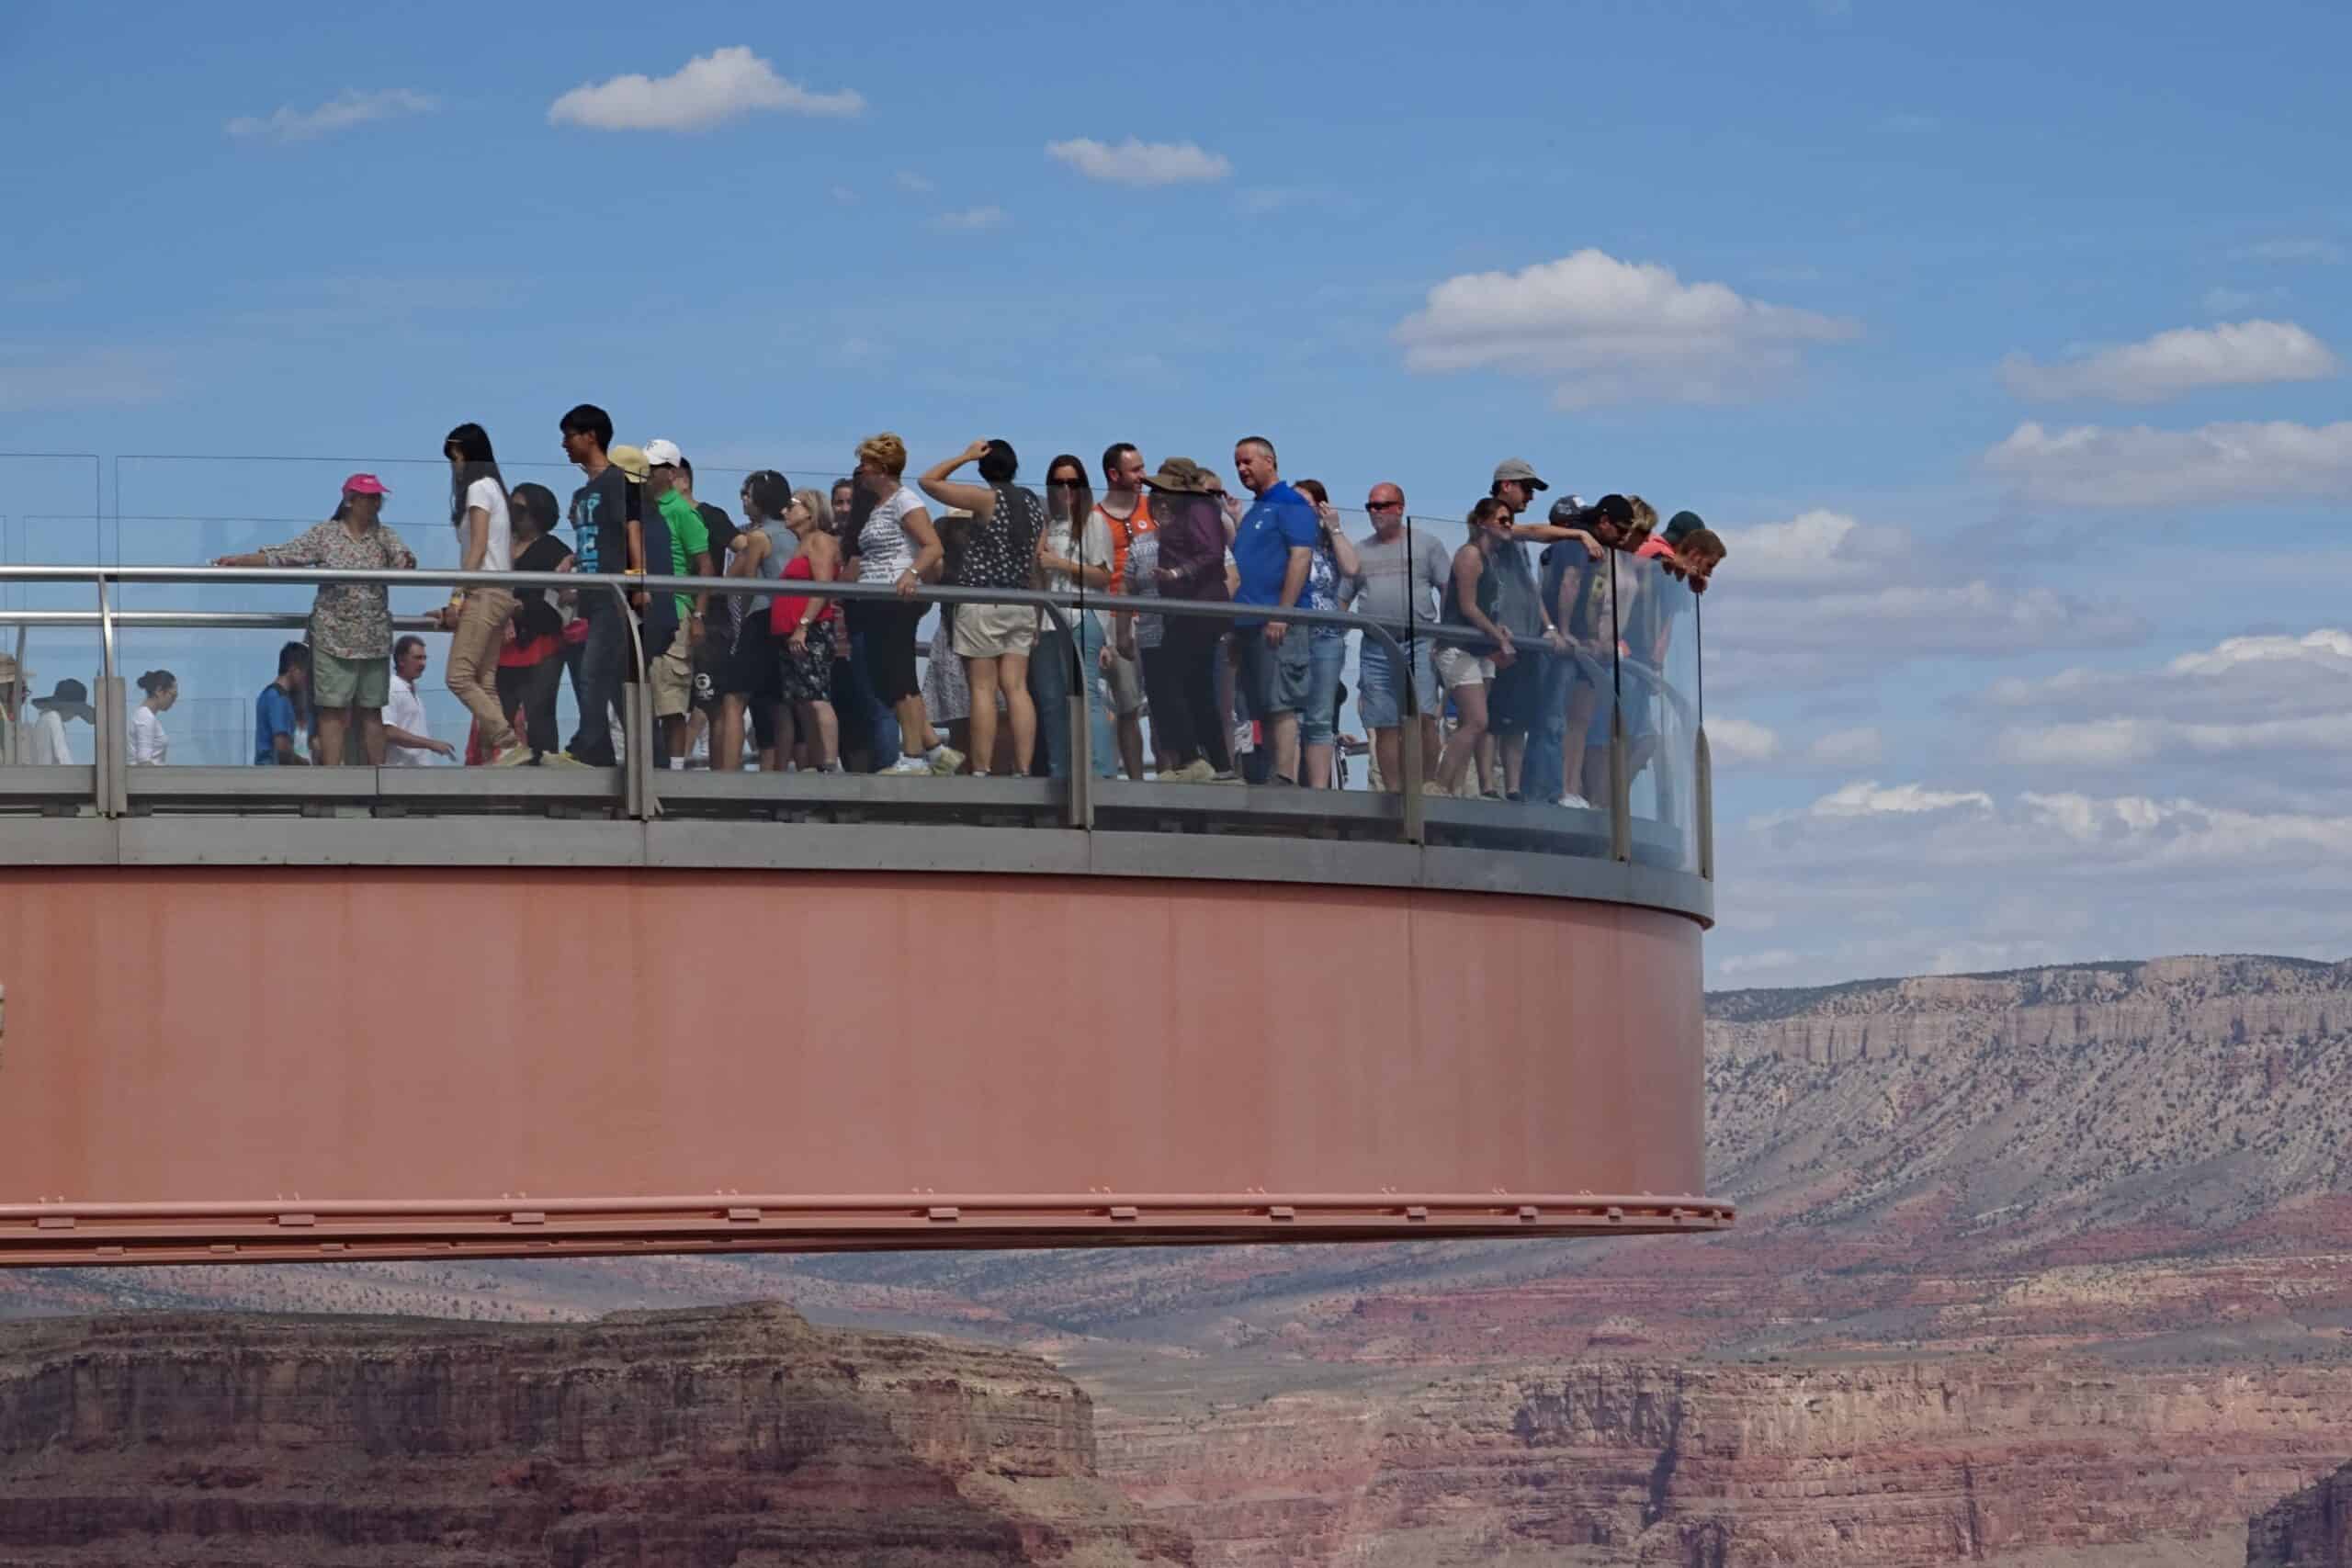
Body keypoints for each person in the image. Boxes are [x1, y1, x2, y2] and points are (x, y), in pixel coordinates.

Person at [215, 473, 413, 767]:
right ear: (350, 501)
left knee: (372, 710)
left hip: (373, 638)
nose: (375, 503)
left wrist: (405, 562)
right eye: (369, 497)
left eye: (377, 498)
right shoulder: (325, 534)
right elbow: (285, 555)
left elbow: (404, 558)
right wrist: (241, 561)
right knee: (332, 710)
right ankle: (333, 779)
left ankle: (379, 779)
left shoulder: (385, 536)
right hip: (333, 637)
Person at [918, 439, 1047, 777]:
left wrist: (965, 456)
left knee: (982, 688)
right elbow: (1036, 565)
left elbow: (928, 481)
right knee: (1017, 688)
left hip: (980, 601)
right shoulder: (1034, 506)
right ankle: (1023, 768)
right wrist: (1037, 614)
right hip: (1021, 602)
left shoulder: (986, 498)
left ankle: (982, 768)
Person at [848, 433, 957, 776]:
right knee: (886, 679)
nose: (861, 471)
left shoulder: (905, 501)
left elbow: (932, 546)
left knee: (900, 678)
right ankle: (936, 751)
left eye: (865, 465)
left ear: (881, 468)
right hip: (875, 600)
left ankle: (912, 756)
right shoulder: (879, 506)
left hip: (897, 600)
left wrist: (911, 574)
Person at [1346, 482, 1449, 795]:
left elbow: (1448, 588)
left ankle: (1426, 786)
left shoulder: (1426, 544)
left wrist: (1443, 635)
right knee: (1384, 723)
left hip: (1419, 640)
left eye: (1381, 505)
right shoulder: (1359, 551)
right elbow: (1342, 597)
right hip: (1376, 644)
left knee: (1425, 716)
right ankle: (1393, 794)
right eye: (1370, 506)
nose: (1374, 512)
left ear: (1399, 508)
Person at [435, 423, 528, 768]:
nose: (453, 466)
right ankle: (499, 756)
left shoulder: (477, 489)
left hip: (483, 591)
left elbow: (476, 548)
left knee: (459, 676)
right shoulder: (496, 489)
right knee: (485, 682)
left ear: (463, 454)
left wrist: (456, 598)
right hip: (500, 592)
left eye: (454, 457)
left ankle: (507, 741)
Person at [1227, 437, 1317, 784]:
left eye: (1247, 461)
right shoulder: (1256, 510)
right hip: (1248, 625)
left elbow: (1301, 557)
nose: (1241, 469)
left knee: (1281, 703)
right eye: (1237, 463)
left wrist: (1283, 613)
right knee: (1260, 705)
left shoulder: (1290, 503)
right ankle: (1267, 776)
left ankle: (1285, 778)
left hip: (1277, 624)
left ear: (1269, 461)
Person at [1139, 457, 1235, 779]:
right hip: (1182, 609)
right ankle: (1211, 763)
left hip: (1197, 609)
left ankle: (1198, 760)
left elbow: (1212, 553)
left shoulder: (1200, 508)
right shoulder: (1188, 511)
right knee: (1192, 685)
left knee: (1176, 682)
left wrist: (1177, 573)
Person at [557, 403, 636, 768]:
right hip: (590, 598)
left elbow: (631, 533)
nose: (564, 444)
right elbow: (594, 540)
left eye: (570, 436)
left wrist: (637, 581)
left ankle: (588, 746)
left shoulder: (618, 483)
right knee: (615, 682)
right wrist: (573, 563)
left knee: (593, 673)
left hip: (614, 595)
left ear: (591, 436)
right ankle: (645, 752)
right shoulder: (582, 494)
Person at [1028, 453, 1115, 780]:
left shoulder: (1093, 522)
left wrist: (1060, 564)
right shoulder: (1048, 525)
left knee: (1086, 695)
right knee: (1051, 700)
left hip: (1081, 616)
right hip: (1047, 620)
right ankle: (1060, 773)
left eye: (1072, 483)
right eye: (1059, 482)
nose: (1066, 489)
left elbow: (1103, 575)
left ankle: (1099, 772)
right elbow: (1038, 578)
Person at [1432, 500, 1518, 797]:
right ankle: (1439, 787)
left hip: (1481, 650)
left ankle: (1455, 788)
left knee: (1473, 723)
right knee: (1476, 720)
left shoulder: (1491, 558)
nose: (1509, 525)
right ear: (1482, 522)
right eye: (1503, 519)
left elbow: (1484, 606)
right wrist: (1499, 638)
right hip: (1459, 647)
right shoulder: (1469, 555)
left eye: (1510, 520)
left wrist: (1499, 629)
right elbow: (1467, 607)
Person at [640, 439, 715, 770]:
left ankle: (674, 773)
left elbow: (706, 565)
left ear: (671, 473)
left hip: (676, 610)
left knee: (671, 702)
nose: (646, 472)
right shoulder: (642, 509)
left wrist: (698, 615)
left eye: (653, 467)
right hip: (644, 611)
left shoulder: (683, 511)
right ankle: (649, 769)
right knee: (643, 699)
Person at [716, 468, 796, 773]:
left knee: (734, 697)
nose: (744, 501)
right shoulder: (792, 536)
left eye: (747, 495)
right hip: (786, 622)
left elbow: (745, 583)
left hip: (760, 619)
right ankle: (781, 771)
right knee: (779, 702)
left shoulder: (759, 536)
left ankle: (728, 772)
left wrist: (742, 627)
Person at [1290, 479, 1363, 790]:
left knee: (1320, 717)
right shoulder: (1285, 537)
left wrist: (1334, 527)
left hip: (1327, 635)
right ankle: (1290, 787)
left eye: (1306, 503)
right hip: (1293, 632)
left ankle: (1319, 791)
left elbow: (1352, 568)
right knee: (1292, 716)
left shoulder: (1327, 540)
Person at [497, 481, 575, 761]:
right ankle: (500, 766)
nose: (512, 514)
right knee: (499, 714)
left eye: (519, 509)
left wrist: (522, 608)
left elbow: (564, 596)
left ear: (537, 514)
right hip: (502, 643)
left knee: (540, 712)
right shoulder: (499, 545)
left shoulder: (554, 549)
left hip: (541, 641)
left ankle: (546, 768)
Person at [1092, 442, 1154, 778]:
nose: (1143, 475)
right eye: (1136, 470)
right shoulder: (1094, 518)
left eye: (1142, 467)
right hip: (1116, 620)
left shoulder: (1153, 509)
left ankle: (1164, 777)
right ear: (1114, 474)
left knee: (1161, 705)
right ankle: (1132, 781)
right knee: (1126, 706)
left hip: (1155, 618)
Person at [773, 486, 844, 772]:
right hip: (791, 632)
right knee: (802, 701)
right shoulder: (801, 544)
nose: (785, 511)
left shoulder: (820, 541)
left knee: (817, 698)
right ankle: (817, 763)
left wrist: (803, 625)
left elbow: (822, 586)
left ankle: (829, 763)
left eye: (792, 505)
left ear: (810, 511)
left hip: (810, 630)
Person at [679, 457, 738, 764]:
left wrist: (727, 583)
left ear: (682, 479)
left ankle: (720, 778)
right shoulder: (658, 518)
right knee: (673, 703)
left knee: (712, 702)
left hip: (711, 619)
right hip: (672, 616)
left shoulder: (711, 516)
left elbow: (745, 545)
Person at [384, 635, 455, 763]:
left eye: (424, 658)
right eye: (417, 658)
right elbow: (389, 731)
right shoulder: (392, 688)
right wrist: (431, 744)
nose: (423, 663)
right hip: (400, 770)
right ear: (401, 660)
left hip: (419, 769)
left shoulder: (412, 691)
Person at [250, 642, 309, 766]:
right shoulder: (279, 699)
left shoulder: (267, 694)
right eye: (305, 673)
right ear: (293, 670)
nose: (306, 680)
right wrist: (303, 763)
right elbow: (282, 746)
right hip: (272, 770)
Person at [23, 678, 93, 765]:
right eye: (77, 711)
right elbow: (62, 756)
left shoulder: (44, 718)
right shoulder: (53, 718)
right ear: (69, 707)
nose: (76, 715)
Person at [129, 670, 175, 765]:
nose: (174, 701)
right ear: (159, 691)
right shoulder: (145, 717)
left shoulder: (144, 715)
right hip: (147, 774)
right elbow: (144, 761)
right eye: (173, 695)